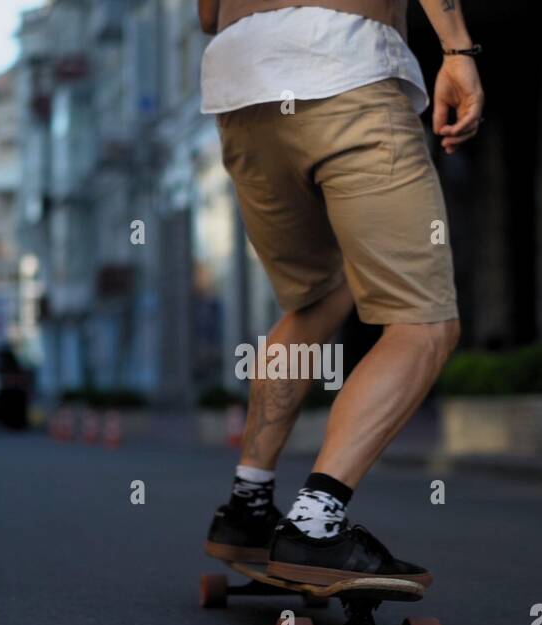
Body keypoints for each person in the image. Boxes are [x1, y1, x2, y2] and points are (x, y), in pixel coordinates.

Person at [199, 0, 484, 588]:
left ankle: (248, 505)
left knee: (318, 298)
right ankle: (315, 524)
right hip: (343, 68)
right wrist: (457, 51)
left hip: (241, 90)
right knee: (423, 323)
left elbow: (209, 13)